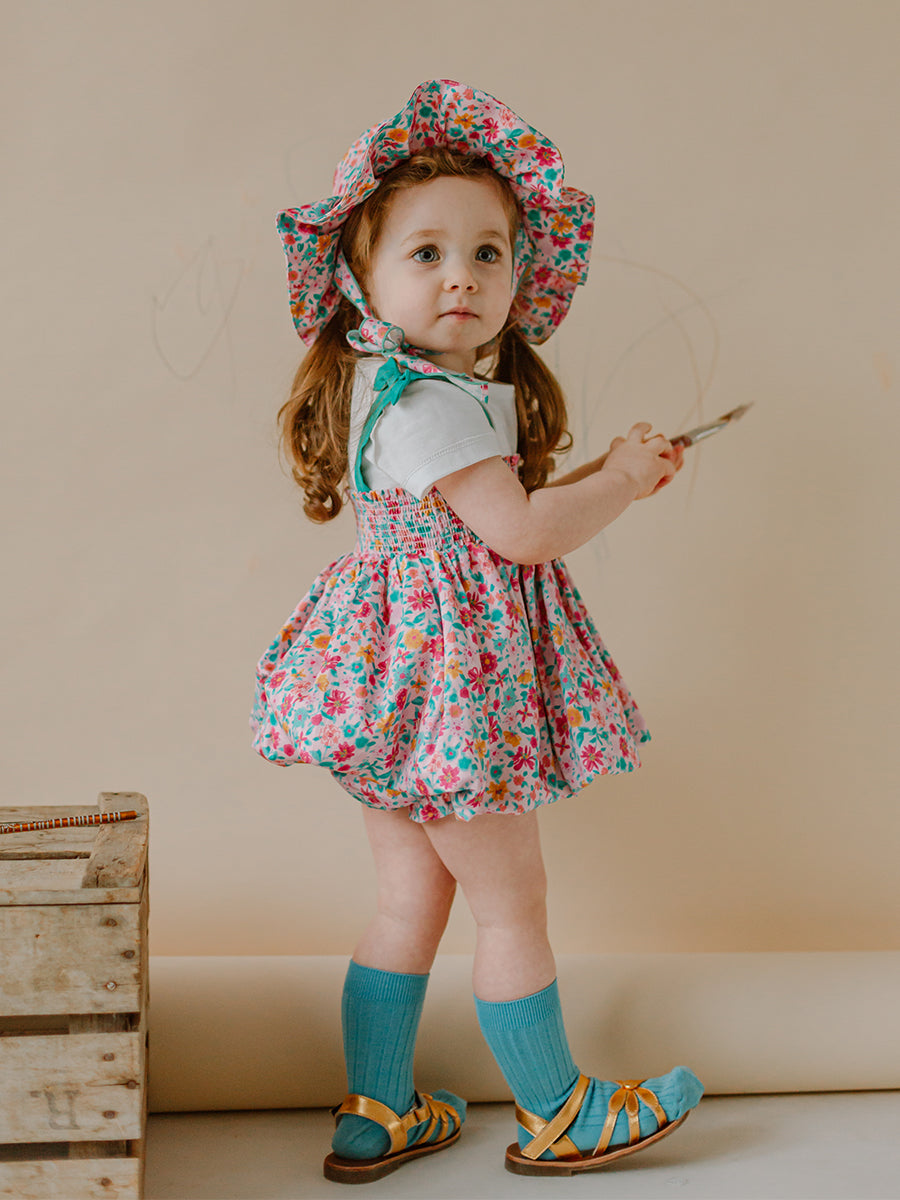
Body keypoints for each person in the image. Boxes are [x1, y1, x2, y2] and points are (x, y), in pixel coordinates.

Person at [251, 80, 703, 1183]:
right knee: (511, 905)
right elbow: (523, 534)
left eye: (488, 253)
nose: (462, 276)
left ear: (520, 276)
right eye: (427, 253)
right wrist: (622, 485)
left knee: (410, 900)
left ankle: (378, 1109)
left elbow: (497, 514)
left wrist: (613, 468)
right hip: (451, 695)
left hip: (396, 688)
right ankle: (559, 1110)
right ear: (360, 278)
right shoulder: (433, 404)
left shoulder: (396, 388)